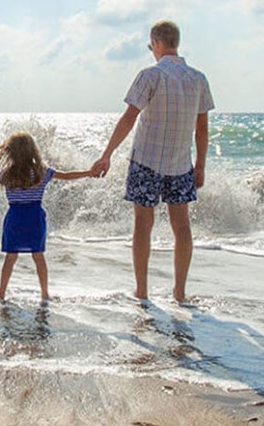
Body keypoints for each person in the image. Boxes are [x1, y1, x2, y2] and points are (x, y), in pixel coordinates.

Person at [89, 20, 214, 304]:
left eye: (150, 46)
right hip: (181, 164)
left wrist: (106, 153)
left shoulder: (150, 76)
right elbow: (202, 130)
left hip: (146, 161)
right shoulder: (198, 78)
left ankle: (142, 291)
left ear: (156, 43)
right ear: (176, 43)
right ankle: (179, 292)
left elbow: (129, 118)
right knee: (181, 227)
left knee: (143, 225)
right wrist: (201, 165)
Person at [0, 132, 97, 302]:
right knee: (38, 256)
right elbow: (67, 175)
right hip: (34, 219)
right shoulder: (42, 172)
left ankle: (1, 294)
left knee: (10, 257)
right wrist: (89, 172)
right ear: (33, 151)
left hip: (15, 218)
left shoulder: (7, 174)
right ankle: (44, 294)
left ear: (10, 153)